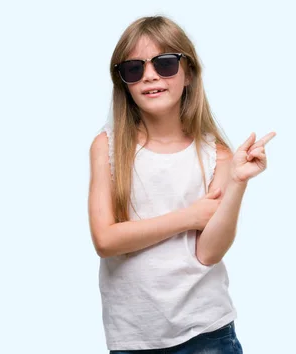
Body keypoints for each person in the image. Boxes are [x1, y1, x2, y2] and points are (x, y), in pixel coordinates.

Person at [87, 15, 276, 353]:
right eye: (134, 68)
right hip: (133, 337)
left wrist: (236, 183)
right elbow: (105, 239)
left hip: (206, 332)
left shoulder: (215, 155)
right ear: (124, 83)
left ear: (188, 73)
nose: (150, 76)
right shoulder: (108, 147)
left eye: (165, 63)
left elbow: (208, 252)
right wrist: (189, 217)